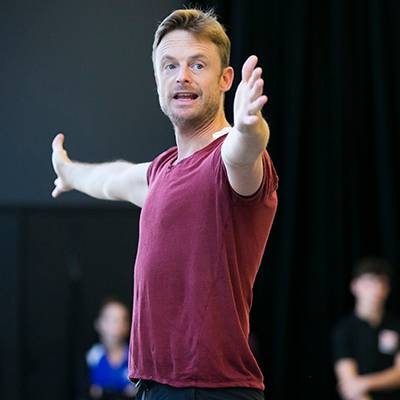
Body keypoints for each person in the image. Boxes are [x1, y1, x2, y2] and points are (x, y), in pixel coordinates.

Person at [52, 8, 278, 400]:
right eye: (169, 66)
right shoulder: (162, 171)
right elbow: (113, 179)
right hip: (157, 386)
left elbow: (245, 151)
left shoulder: (227, 161)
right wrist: (70, 172)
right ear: (157, 79)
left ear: (226, 79)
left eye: (197, 64)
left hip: (209, 391)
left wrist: (248, 127)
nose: (182, 76)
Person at [332, 257, 400, 400]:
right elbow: (349, 384)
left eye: (381, 282)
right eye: (369, 282)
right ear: (355, 286)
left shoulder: (396, 325)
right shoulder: (344, 330)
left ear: (387, 288)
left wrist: (365, 383)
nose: (376, 288)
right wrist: (359, 387)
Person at [86, 298, 137, 399]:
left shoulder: (134, 359)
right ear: (98, 324)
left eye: (121, 320)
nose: (116, 326)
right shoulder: (92, 356)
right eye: (111, 320)